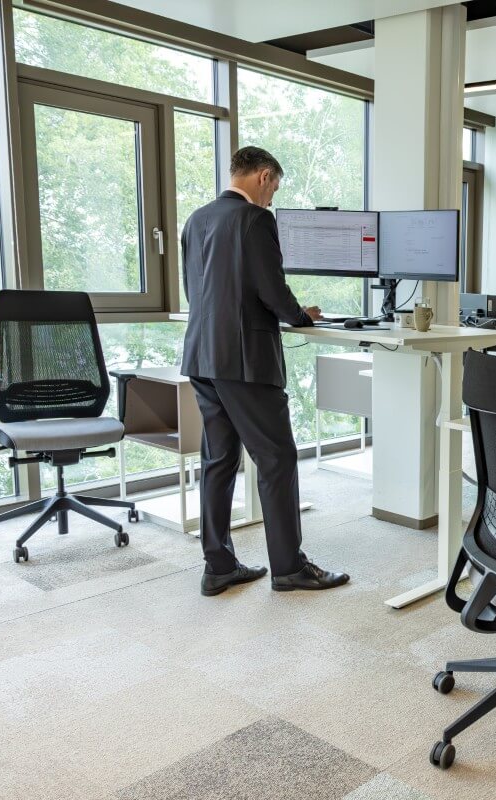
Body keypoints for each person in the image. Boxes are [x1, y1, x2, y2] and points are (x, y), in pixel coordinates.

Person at [182, 146, 349, 596]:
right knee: (277, 459)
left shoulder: (196, 219)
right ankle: (289, 567)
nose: (273, 197)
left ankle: (218, 566)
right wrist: (301, 316)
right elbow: (270, 287)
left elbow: (201, 290)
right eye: (274, 186)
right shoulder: (255, 221)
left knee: (218, 460)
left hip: (202, 355)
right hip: (244, 359)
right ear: (261, 175)